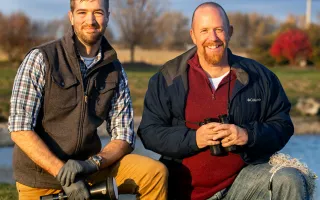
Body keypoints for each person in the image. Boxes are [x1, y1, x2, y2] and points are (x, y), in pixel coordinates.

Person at [138, 2, 310, 200]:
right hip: (184, 189)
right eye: (204, 30)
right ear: (193, 35)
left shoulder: (260, 77)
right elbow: (149, 132)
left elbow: (283, 125)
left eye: (219, 29)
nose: (213, 38)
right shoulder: (167, 78)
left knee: (290, 179)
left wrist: (247, 135)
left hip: (242, 185)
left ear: (229, 32)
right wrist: (195, 139)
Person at [9, 0, 168, 199]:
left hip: (90, 170)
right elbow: (19, 129)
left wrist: (93, 163)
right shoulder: (41, 58)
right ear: (71, 17)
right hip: (42, 178)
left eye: (98, 12)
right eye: (82, 12)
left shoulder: (115, 70)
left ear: (108, 16)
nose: (90, 20)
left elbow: (124, 136)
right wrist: (62, 173)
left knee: (153, 173)